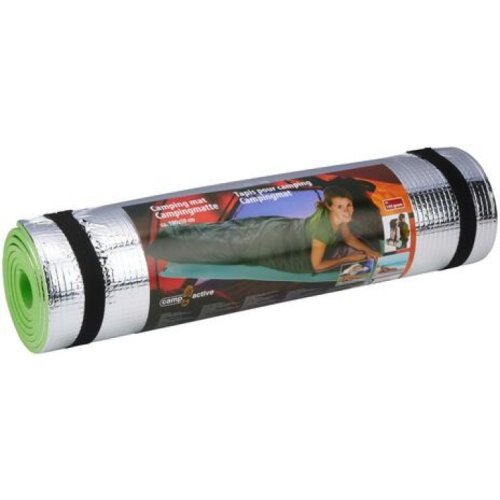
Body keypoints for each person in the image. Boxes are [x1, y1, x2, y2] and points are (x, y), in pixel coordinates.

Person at [148, 185, 382, 275]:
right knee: (225, 244)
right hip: (276, 245)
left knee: (230, 231)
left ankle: (172, 234)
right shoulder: (322, 229)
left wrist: (369, 251)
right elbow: (317, 265)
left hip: (277, 228)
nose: (347, 210)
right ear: (330, 207)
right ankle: (164, 242)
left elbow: (348, 237)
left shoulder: (338, 217)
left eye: (349, 205)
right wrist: (349, 259)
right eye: (341, 207)